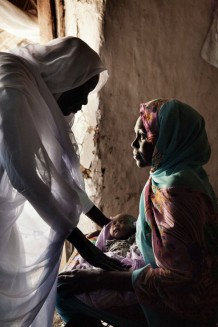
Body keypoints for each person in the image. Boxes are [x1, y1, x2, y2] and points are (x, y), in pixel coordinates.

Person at [58, 99, 218, 327]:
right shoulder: (181, 173)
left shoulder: (176, 193)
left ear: (168, 141)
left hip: (183, 306)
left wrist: (99, 279)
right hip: (180, 285)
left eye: (143, 137)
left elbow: (177, 277)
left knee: (62, 292)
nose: (133, 144)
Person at [0, 36, 123, 327]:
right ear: (64, 78)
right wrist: (80, 243)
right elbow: (24, 177)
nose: (82, 103)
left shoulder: (43, 98)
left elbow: (64, 176)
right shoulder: (12, 88)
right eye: (82, 92)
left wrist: (103, 220)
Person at [57, 213, 146, 326]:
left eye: (123, 222)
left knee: (61, 292)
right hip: (109, 259)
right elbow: (98, 249)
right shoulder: (108, 242)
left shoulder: (134, 238)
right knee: (61, 285)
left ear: (134, 226)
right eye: (114, 223)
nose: (116, 225)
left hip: (124, 263)